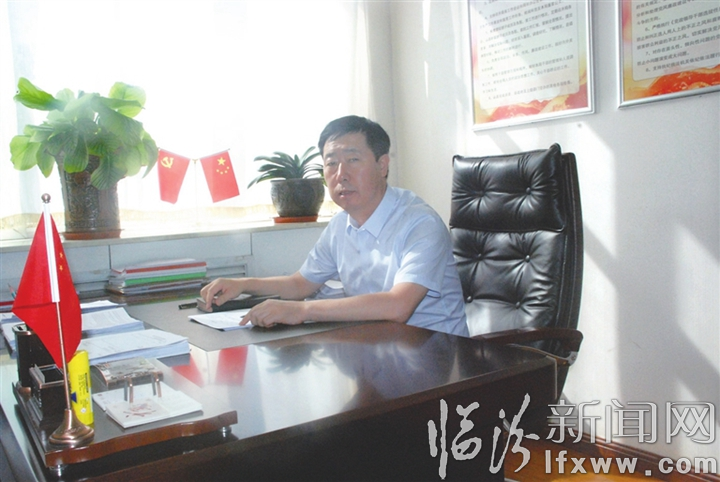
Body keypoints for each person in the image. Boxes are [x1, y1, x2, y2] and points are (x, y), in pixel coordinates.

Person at [200, 115, 468, 336]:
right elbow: (300, 284)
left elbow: (398, 305)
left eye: (353, 160)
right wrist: (242, 284)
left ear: (382, 165)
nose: (341, 175)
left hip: (438, 357)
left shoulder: (420, 224)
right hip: (376, 347)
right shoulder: (341, 224)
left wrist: (302, 311)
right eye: (331, 163)